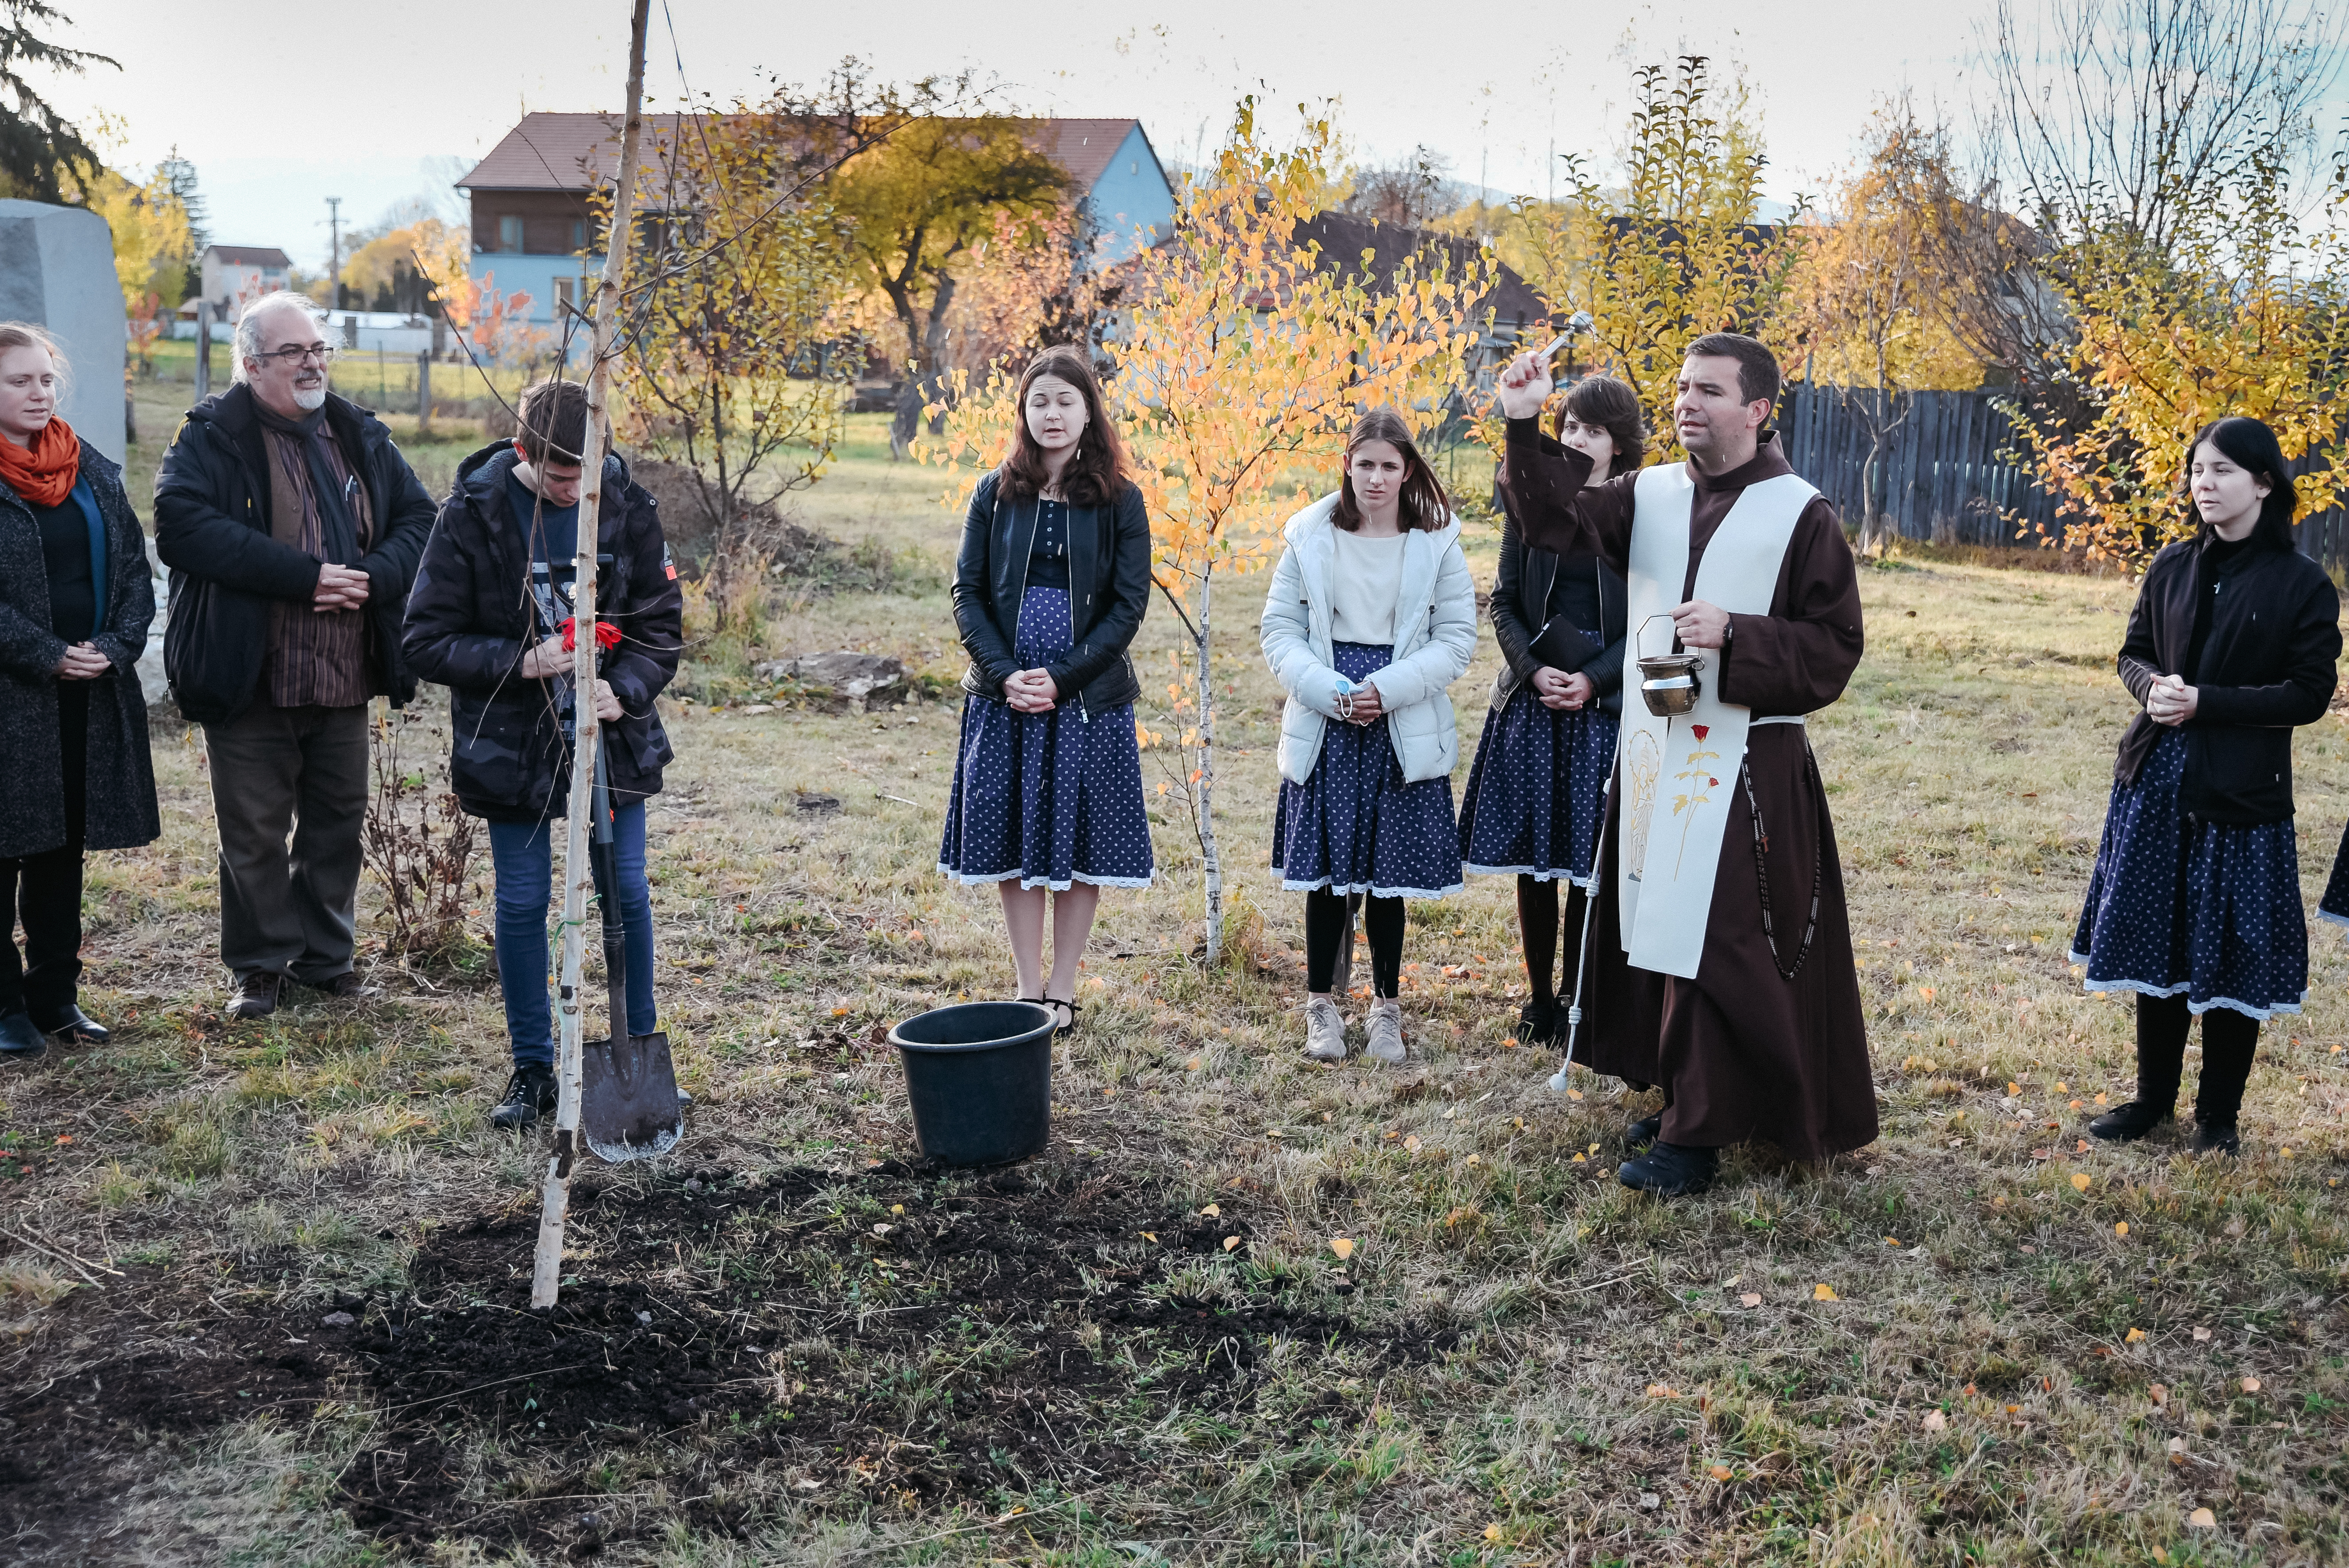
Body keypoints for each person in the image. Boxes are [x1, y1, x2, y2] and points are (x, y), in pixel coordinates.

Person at [1495, 333, 1873, 1194]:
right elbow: (1555, 521)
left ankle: (1697, 1136)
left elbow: (1837, 648)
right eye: (1680, 388)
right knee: (1657, 923)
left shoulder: (1801, 514)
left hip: (1747, 765)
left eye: (1708, 390)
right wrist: (1523, 423)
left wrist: (1740, 633)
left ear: (1758, 408)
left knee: (1719, 941)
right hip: (1657, 747)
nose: (1686, 403)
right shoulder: (1651, 493)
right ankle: (1688, 1093)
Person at [403, 379, 683, 1130]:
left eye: (590, 475)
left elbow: (661, 626)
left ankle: (638, 1047)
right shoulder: (472, 516)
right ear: (525, 454)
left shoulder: (627, 506)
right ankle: (533, 1066)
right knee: (525, 902)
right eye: (563, 478)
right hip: (512, 749)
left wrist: (623, 690)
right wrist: (523, 661)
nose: (578, 491)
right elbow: (424, 639)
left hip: (611, 744)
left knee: (626, 890)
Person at [154, 293, 435, 1018]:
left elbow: (419, 518)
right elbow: (182, 527)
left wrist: (376, 578)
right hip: (250, 669)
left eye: (318, 349)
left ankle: (324, 958)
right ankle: (260, 966)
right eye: (292, 352)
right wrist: (302, 577)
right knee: (252, 830)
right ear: (251, 365)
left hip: (344, 669)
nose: (311, 362)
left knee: (337, 822)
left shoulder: (358, 432)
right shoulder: (213, 437)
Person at [2071, 417, 2339, 1157]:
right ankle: (2153, 1101)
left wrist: (2207, 702)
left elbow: (2311, 693)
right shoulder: (2171, 567)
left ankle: (2218, 1115)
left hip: (2242, 799)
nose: (2204, 483)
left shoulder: (2303, 584)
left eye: (2221, 470)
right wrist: (2151, 687)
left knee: (2231, 955)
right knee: (2158, 946)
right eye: (2196, 470)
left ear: (2263, 482)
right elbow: (2133, 653)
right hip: (2155, 785)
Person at [939, 346, 1154, 1032]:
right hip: (1008, 693)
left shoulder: (1121, 498)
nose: (1052, 414)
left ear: (1089, 410)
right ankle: (1028, 990)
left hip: (1086, 695)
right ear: (1023, 413)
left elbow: (1128, 605)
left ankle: (1064, 988)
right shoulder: (994, 492)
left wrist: (1061, 679)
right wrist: (1008, 677)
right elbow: (967, 592)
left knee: (1081, 837)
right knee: (1014, 835)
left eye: (1066, 400)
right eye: (1040, 401)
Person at [1262, 407, 1478, 1065]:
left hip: (1399, 714)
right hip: (1329, 711)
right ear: (1348, 465)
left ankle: (1387, 1009)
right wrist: (1329, 691)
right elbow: (1279, 632)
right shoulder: (1308, 535)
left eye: (1389, 466)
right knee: (1328, 876)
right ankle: (1321, 1006)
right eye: (1365, 465)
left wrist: (1389, 689)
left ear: (1407, 468)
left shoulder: (1437, 540)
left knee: (1388, 878)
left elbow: (1457, 640)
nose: (1376, 478)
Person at [1459, 375, 1635, 1045]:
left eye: (1593, 430)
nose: (1579, 439)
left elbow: (1650, 619)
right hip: (1533, 702)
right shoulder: (1528, 508)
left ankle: (1577, 994)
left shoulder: (1637, 513)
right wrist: (1533, 672)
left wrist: (1592, 679)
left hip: (1603, 705)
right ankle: (1539, 999)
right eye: (1570, 428)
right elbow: (1503, 601)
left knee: (1588, 862)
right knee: (1536, 861)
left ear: (1619, 445)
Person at [0, 323, 160, 1054]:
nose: (38, 393)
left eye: (45, 380)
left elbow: (134, 568)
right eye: (19, 381)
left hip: (85, 695)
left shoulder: (85, 467)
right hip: (11, 700)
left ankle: (56, 999)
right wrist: (47, 653)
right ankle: (5, 1009)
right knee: (3, 853)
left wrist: (115, 648)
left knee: (63, 850)